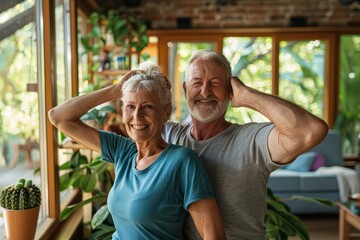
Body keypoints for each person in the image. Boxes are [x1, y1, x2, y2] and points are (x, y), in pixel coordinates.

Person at [161, 49, 329, 239]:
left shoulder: (250, 141)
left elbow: (311, 131)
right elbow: (128, 124)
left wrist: (247, 96)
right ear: (185, 89)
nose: (205, 91)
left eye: (215, 83)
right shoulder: (170, 135)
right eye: (197, 83)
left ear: (229, 90)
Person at [48, 63, 226, 239]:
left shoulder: (182, 161)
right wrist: (115, 90)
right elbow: (58, 117)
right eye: (130, 106)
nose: (137, 116)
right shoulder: (123, 152)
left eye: (147, 106)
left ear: (166, 112)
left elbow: (213, 234)